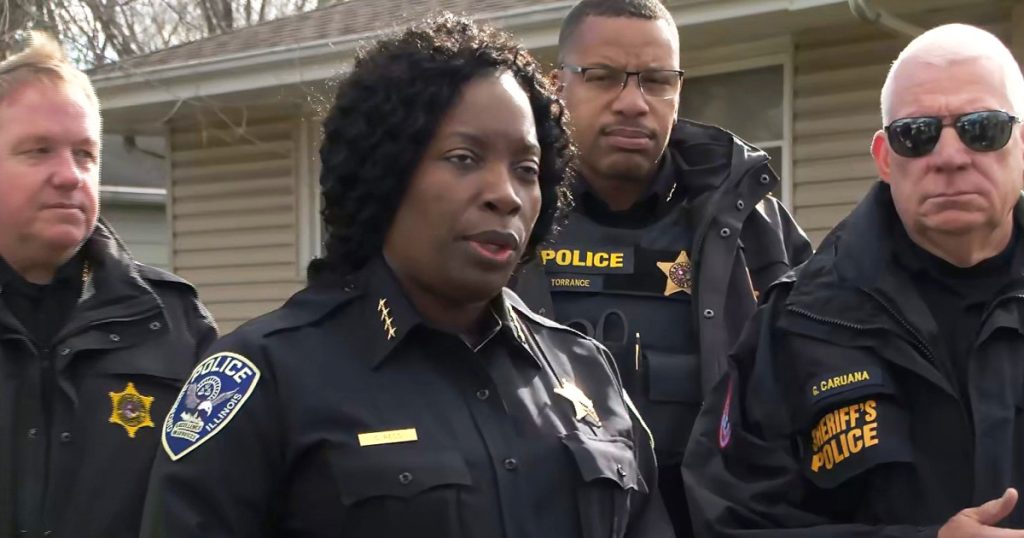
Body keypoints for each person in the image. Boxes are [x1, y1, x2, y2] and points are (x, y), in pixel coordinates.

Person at [140, 14, 672, 538]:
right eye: (464, 158)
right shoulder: (266, 378)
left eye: (526, 170)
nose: (505, 194)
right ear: (386, 173)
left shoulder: (584, 369)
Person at [683, 23, 1024, 537]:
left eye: (982, 128)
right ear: (885, 157)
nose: (951, 157)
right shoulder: (798, 323)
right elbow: (732, 523)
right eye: (917, 134)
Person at [511, 1, 812, 534]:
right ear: (557, 87)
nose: (633, 102)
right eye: (603, 77)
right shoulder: (506, 217)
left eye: (656, 81)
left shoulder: (751, 227)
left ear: (678, 90)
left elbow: (815, 376)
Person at [0, 32, 217, 537]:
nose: (70, 175)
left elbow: (221, 500)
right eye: (39, 151)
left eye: (85, 154)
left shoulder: (174, 325)